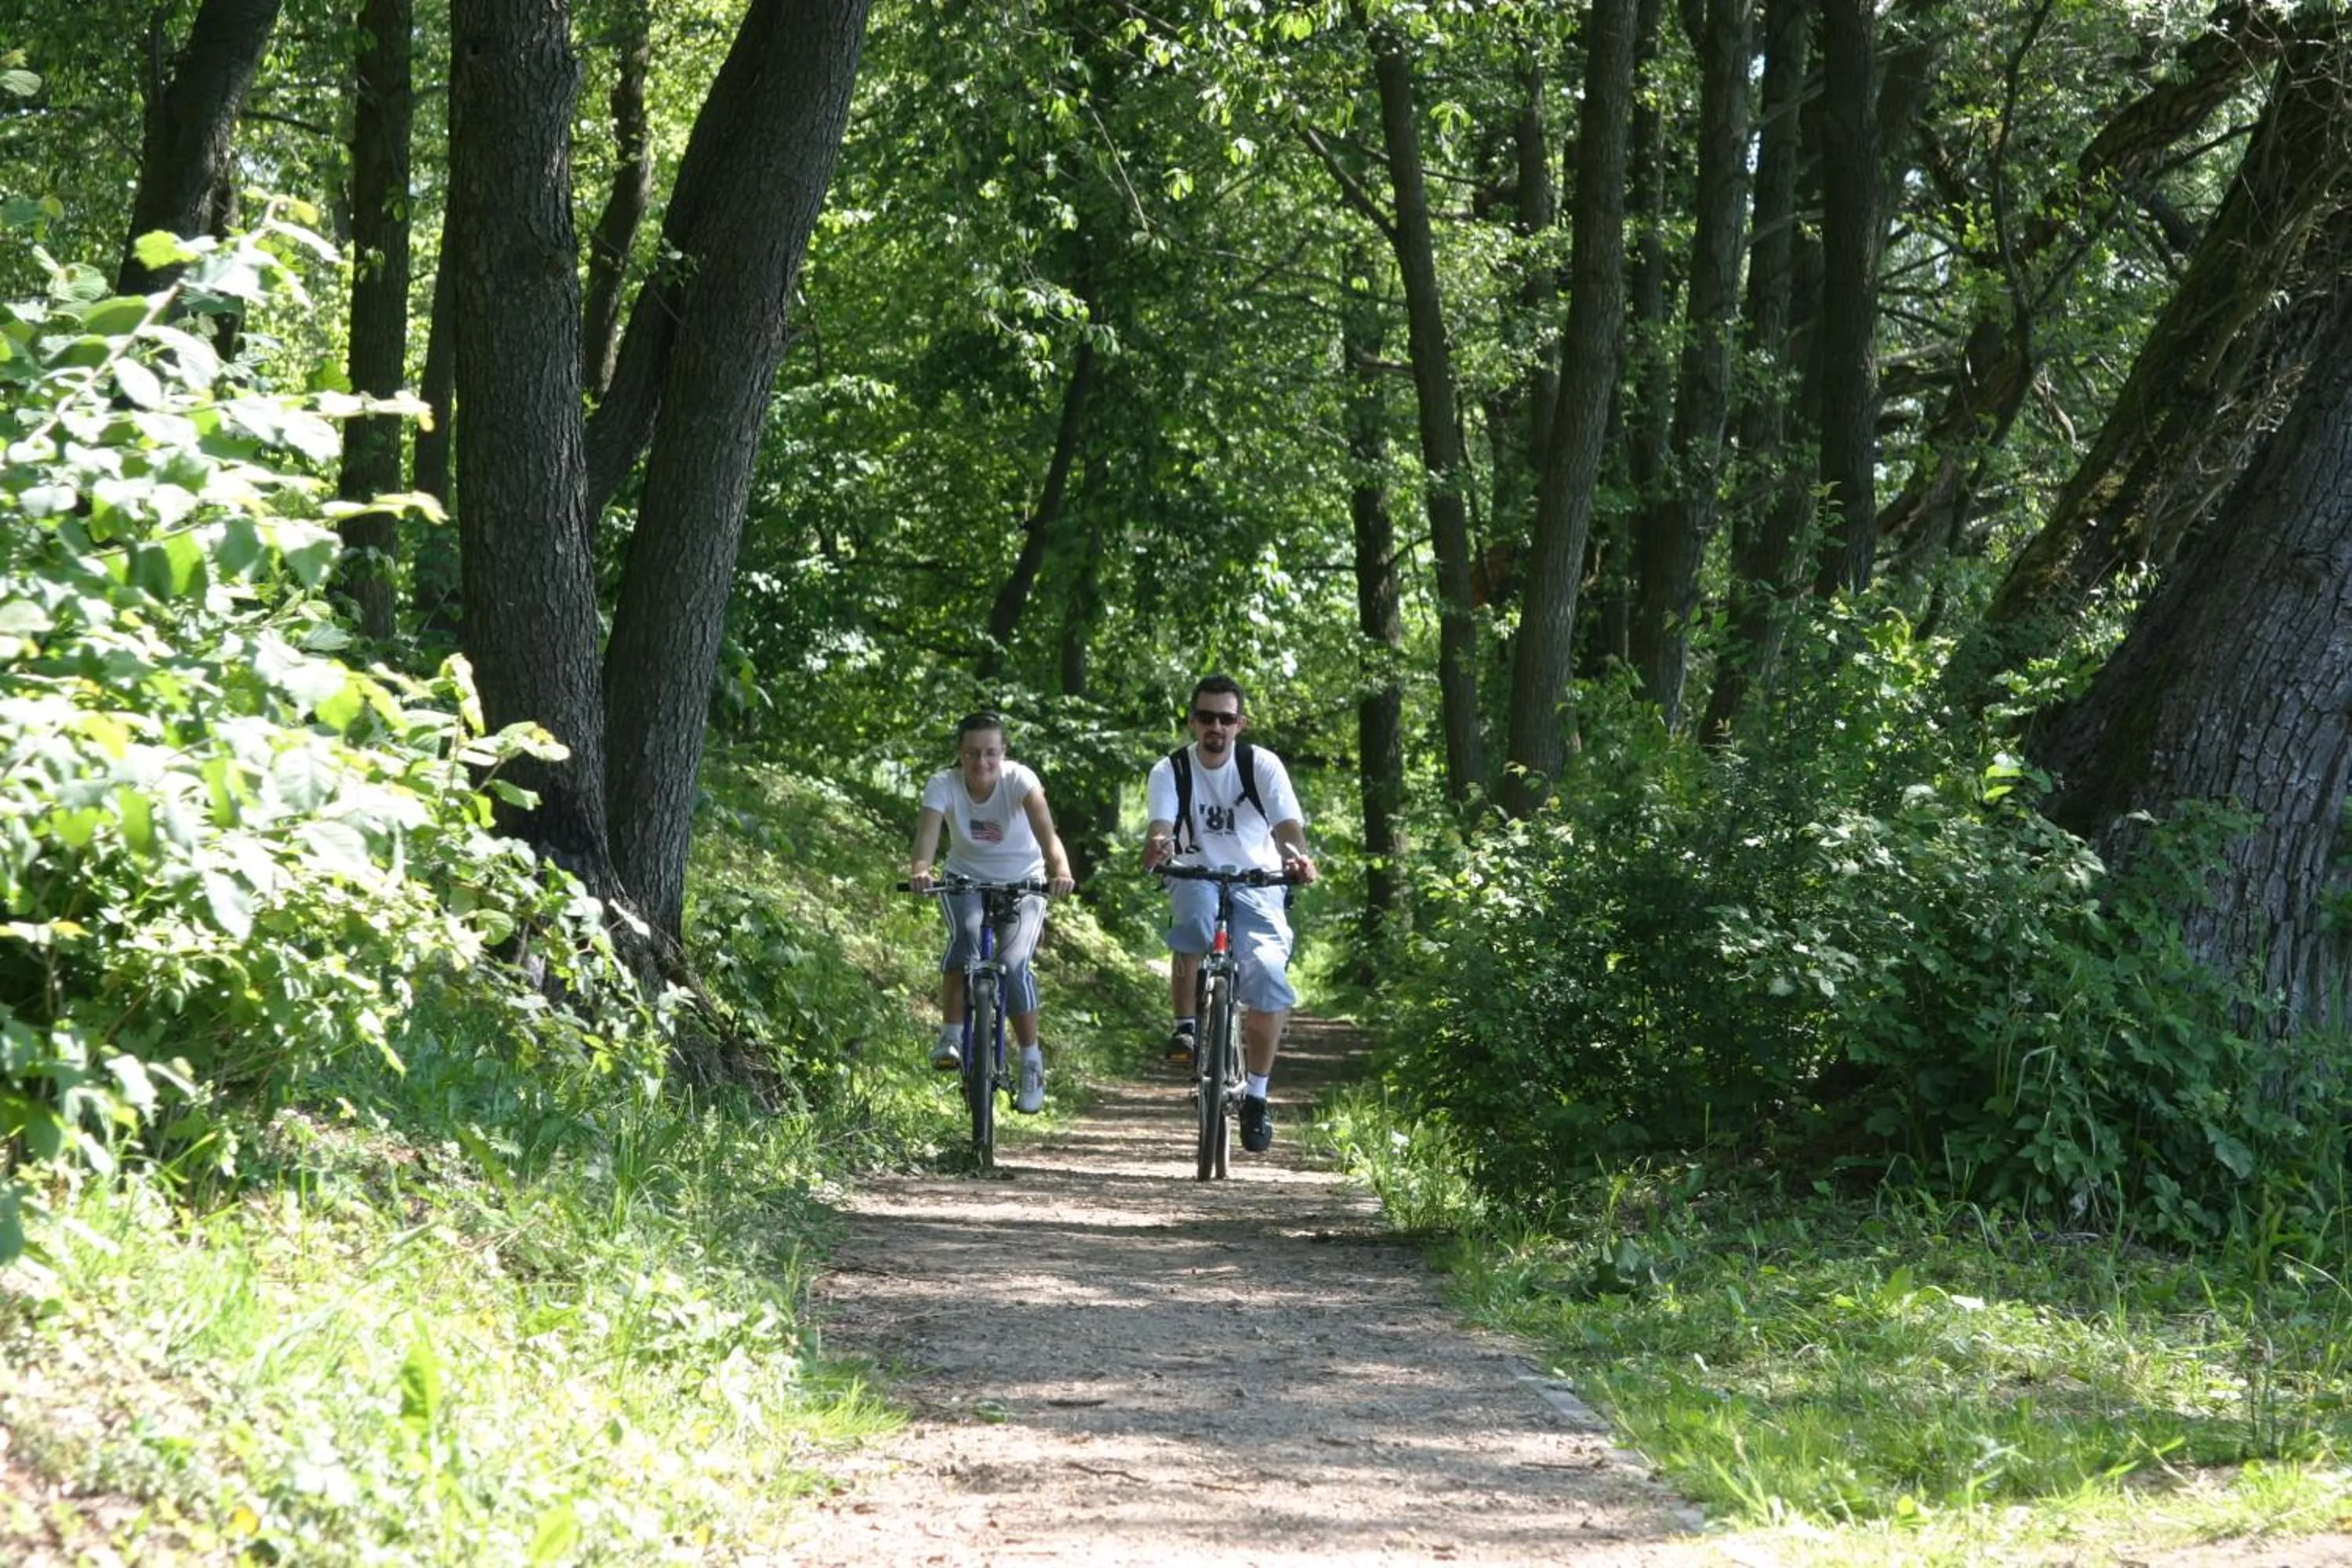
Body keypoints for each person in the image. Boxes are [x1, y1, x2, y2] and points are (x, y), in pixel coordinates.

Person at [1137, 674, 1318, 1153]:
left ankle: (1257, 1096)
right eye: (1205, 717)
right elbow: (1160, 825)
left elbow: (1287, 826)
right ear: (1192, 720)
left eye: (1226, 718)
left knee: (1266, 973)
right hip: (1194, 873)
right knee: (1193, 926)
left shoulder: (1261, 765)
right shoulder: (1170, 770)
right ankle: (1186, 1028)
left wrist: (1297, 859)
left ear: (1240, 723)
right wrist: (1158, 846)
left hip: (1258, 881)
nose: (1215, 726)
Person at [907, 711, 1076, 1114]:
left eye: (990, 754)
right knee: (964, 942)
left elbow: (1047, 835)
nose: (981, 763)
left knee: (1014, 964)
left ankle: (1031, 1062)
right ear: (959, 754)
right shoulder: (942, 785)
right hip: (964, 879)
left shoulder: (1020, 781)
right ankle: (951, 1037)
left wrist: (1061, 871)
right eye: (971, 754)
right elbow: (926, 839)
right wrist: (920, 871)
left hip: (1023, 882)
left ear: (1003, 753)